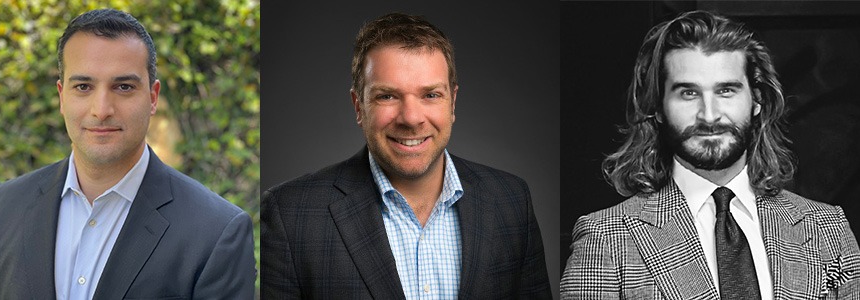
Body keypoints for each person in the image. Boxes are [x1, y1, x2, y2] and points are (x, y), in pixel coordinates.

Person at [559, 10, 860, 299]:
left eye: (726, 91)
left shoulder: (826, 227)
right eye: (688, 93)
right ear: (658, 108)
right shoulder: (606, 239)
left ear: (756, 100)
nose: (710, 115)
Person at [260, 12, 552, 299]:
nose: (411, 118)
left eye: (430, 95)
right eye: (387, 96)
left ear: (453, 102)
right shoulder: (289, 215)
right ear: (358, 106)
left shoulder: (511, 201)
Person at [0, 9, 255, 299]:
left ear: (152, 98)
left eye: (123, 87)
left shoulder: (217, 232)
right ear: (61, 97)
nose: (102, 110)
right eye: (83, 86)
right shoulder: (4, 207)